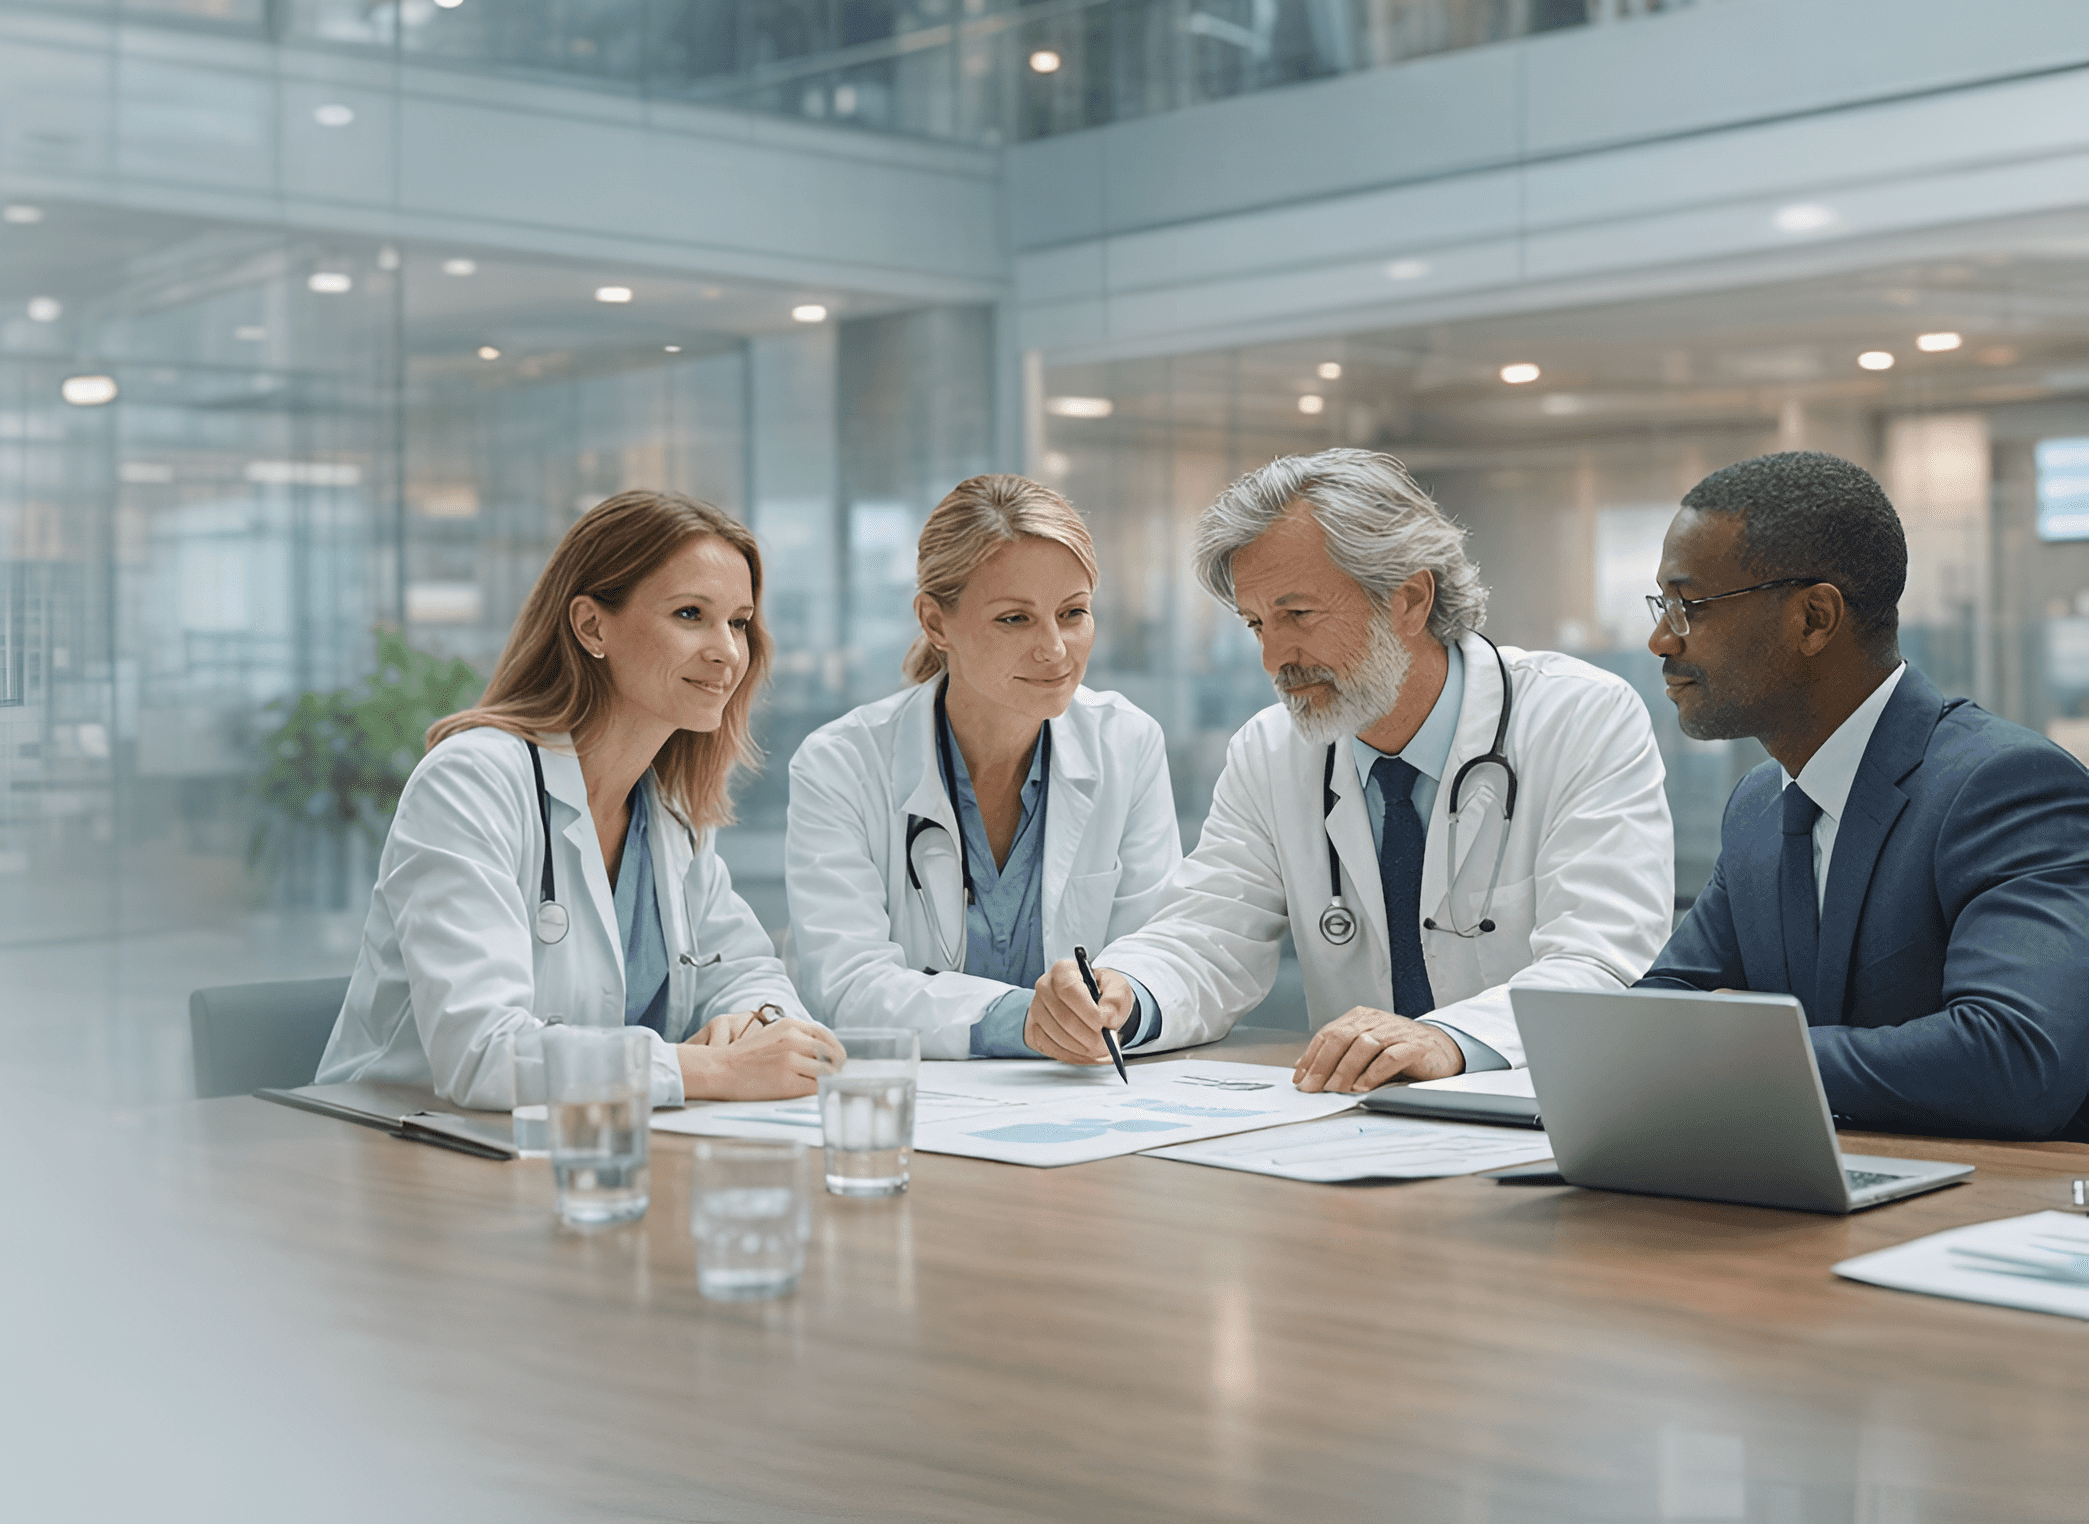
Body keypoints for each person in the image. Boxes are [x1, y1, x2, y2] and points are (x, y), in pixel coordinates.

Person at [1037, 449, 1676, 1091]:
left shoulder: (1578, 718)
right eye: (1257, 623)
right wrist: (1124, 994)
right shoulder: (1271, 752)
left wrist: (1450, 1039)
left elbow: (1604, 961)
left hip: (1542, 1120)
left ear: (1409, 598)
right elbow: (1207, 934)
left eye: (1298, 615)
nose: (1274, 658)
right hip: (1352, 1132)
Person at [318, 491, 840, 1110]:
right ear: (592, 625)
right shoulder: (472, 781)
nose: (727, 651)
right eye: (690, 614)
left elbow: (747, 971)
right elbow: (485, 1055)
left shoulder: (667, 812)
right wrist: (711, 1069)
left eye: (738, 622)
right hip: (404, 1148)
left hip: (575, 1153)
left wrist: (757, 1024)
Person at [1635, 451, 2089, 1140]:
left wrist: (1751, 1048)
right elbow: (1663, 1014)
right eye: (1663, 605)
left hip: (1973, 1211)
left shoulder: (2005, 787)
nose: (1660, 638)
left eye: (1689, 606)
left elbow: (2014, 1056)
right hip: (1806, 1195)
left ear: (1814, 618)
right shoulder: (1761, 804)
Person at [784, 474, 1179, 1056]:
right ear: (936, 623)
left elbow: (1158, 947)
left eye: (1072, 613)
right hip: (921, 1108)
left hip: (1087, 1099)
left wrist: (1126, 995)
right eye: (1014, 619)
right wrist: (1026, 1020)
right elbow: (849, 984)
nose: (1055, 649)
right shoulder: (843, 763)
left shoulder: (1129, 743)